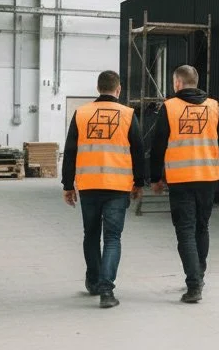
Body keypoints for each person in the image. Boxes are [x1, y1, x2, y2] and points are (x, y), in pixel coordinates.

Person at [146, 65, 219, 304]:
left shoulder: (170, 107)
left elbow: (158, 146)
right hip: (208, 178)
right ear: (196, 82)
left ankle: (194, 284)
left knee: (185, 231)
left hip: (180, 179)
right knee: (202, 227)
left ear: (177, 83)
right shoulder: (214, 107)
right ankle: (199, 273)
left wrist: (155, 178)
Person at [62, 70, 147, 309]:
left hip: (89, 186)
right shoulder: (128, 114)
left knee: (90, 235)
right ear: (118, 89)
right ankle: (107, 291)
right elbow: (138, 152)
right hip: (117, 187)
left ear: (98, 89)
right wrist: (139, 183)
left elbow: (70, 152)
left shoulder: (82, 113)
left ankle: (93, 281)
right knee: (112, 238)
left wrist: (68, 185)